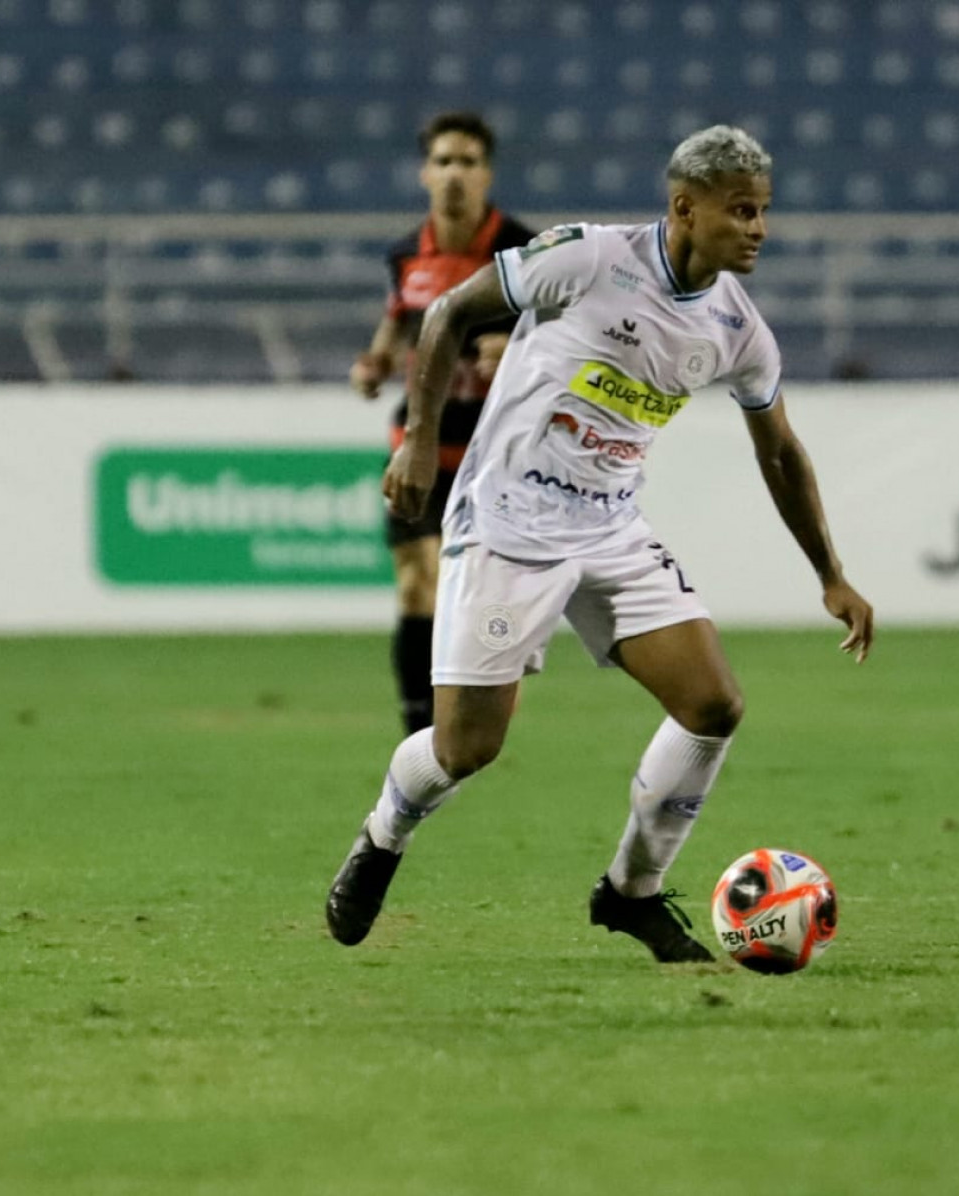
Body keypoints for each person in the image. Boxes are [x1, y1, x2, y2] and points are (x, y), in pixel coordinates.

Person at [325, 125, 875, 963]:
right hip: (506, 522)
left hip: (610, 527)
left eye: (762, 211)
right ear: (684, 208)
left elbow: (780, 451)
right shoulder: (587, 258)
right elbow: (447, 311)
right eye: (740, 211)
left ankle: (630, 891)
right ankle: (383, 833)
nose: (758, 229)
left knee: (713, 704)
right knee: (465, 748)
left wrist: (830, 574)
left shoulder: (736, 327)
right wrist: (420, 441)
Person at [351, 111, 535, 734]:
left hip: (497, 459)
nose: (455, 173)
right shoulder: (406, 255)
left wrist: (518, 348)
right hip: (421, 449)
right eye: (444, 161)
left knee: (484, 603)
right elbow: (396, 325)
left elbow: (567, 338)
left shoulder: (524, 251)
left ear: (487, 174)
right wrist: (374, 364)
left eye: (468, 162)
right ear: (425, 173)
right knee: (416, 583)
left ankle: (473, 712)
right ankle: (418, 735)